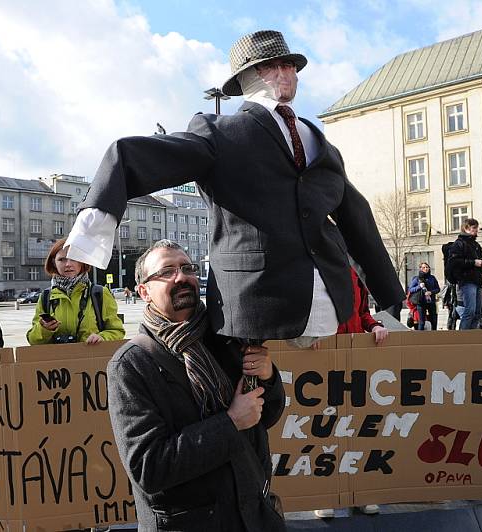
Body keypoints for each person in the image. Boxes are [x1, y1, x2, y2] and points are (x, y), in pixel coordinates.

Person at [64, 29, 404, 349]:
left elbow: (356, 216)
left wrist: (388, 294)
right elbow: (133, 155)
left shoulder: (319, 143)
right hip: (257, 308)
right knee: (260, 402)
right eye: (273, 66)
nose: (286, 72)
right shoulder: (221, 133)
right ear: (248, 77)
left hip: (331, 305)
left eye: (290, 65)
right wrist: (90, 231)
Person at [107, 240, 286, 531]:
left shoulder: (228, 339)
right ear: (144, 292)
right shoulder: (130, 365)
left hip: (253, 516)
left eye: (187, 268)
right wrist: (229, 423)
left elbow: (265, 416)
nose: (181, 277)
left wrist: (267, 377)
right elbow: (148, 467)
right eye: (167, 271)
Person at [314, 264, 384, 519]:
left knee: (357, 428)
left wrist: (374, 326)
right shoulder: (312, 271)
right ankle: (326, 493)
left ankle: (359, 492)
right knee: (325, 428)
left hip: (354, 361)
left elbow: (363, 312)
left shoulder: (355, 273)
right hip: (321, 362)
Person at [26, 239, 125, 345]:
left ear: (82, 262)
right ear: (54, 263)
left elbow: (118, 331)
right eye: (62, 260)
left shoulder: (99, 293)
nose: (68, 264)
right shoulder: (46, 296)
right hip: (58, 359)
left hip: (91, 359)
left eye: (74, 258)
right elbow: (33, 340)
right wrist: (43, 329)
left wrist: (102, 337)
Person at [447, 219, 482, 330]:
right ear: (466, 228)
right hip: (466, 280)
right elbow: (455, 261)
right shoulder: (459, 243)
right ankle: (463, 338)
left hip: (477, 280)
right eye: (474, 228)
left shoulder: (475, 244)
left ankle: (472, 338)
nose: (476, 230)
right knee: (469, 311)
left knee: (477, 312)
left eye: (476, 227)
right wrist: (474, 262)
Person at [407, 262, 440, 331]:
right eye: (423, 267)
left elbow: (438, 289)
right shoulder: (416, 278)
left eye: (427, 267)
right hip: (421, 302)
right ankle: (420, 338)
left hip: (431, 302)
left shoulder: (432, 278)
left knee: (434, 321)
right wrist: (419, 287)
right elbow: (410, 289)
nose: (425, 269)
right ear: (420, 269)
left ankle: (435, 337)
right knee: (421, 322)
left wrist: (431, 292)